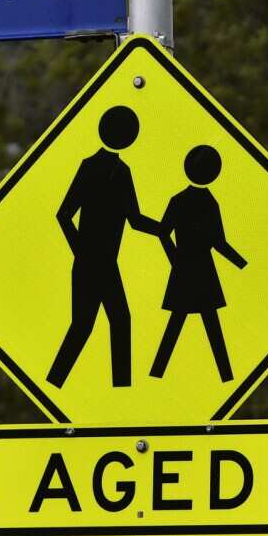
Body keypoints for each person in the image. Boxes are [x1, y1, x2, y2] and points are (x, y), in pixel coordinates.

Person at [46, 105, 161, 389]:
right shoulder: (95, 167)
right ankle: (57, 383)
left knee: (113, 322)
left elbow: (133, 219)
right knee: (90, 325)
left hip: (104, 263)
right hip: (92, 263)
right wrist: (80, 250)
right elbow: (64, 214)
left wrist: (163, 229)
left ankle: (118, 390)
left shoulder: (120, 171)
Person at [149, 144, 246, 382]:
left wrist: (175, 259)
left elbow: (163, 233)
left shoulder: (180, 200)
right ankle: (225, 376)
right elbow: (219, 243)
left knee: (182, 322)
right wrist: (243, 264)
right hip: (202, 270)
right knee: (207, 325)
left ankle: (158, 373)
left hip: (187, 270)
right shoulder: (209, 203)